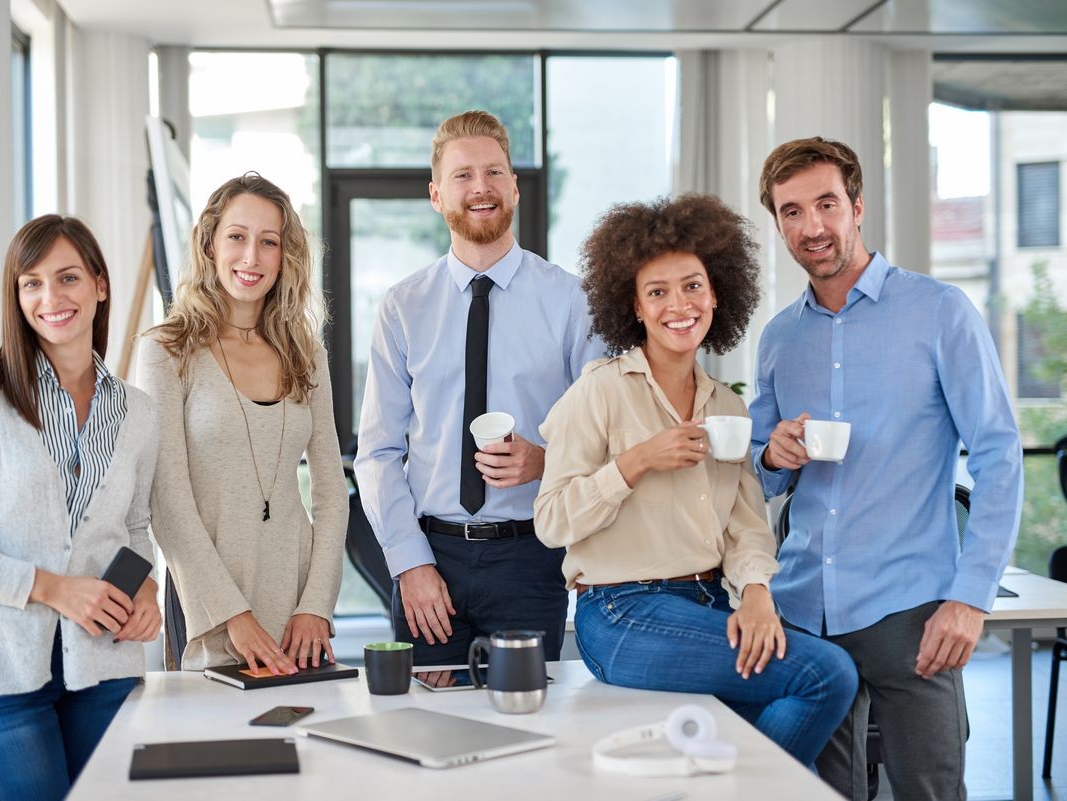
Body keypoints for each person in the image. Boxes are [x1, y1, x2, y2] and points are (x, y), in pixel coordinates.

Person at [533, 194, 858, 766]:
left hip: (709, 603)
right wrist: (636, 461)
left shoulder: (728, 410)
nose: (677, 305)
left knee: (758, 726)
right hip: (619, 612)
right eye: (656, 292)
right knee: (825, 676)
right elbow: (551, 520)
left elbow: (747, 529)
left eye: (692, 287)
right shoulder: (599, 391)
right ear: (633, 306)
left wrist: (757, 595)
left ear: (715, 295)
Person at [749, 137, 1023, 800]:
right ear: (778, 222)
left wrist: (969, 597)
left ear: (857, 205)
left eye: (826, 203)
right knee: (817, 792)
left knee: (929, 789)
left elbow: (998, 454)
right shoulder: (780, 338)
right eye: (791, 211)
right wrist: (771, 455)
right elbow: (754, 477)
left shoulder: (939, 312)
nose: (812, 226)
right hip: (804, 616)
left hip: (914, 615)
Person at [0, 215, 161, 801]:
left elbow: (133, 527)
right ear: (17, 295)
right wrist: (51, 587)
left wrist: (145, 592)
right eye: (31, 283)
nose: (51, 297)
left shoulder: (138, 411)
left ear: (100, 285)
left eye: (68, 278)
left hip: (104, 664)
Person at [355, 110, 606, 664]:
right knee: (425, 731)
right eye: (463, 176)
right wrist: (410, 564)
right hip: (429, 562)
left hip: (532, 557)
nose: (480, 188)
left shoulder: (571, 302)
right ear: (436, 195)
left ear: (513, 187)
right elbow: (377, 453)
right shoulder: (403, 307)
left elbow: (605, 437)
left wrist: (546, 461)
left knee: (526, 732)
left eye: (494, 172)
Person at [137, 173, 347, 674]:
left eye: (268, 242)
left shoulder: (306, 353)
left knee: (302, 745)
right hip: (210, 603)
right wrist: (233, 614)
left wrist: (315, 605)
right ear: (210, 244)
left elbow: (331, 492)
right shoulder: (167, 350)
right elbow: (166, 498)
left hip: (298, 606)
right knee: (215, 748)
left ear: (285, 256)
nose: (251, 257)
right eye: (237, 236)